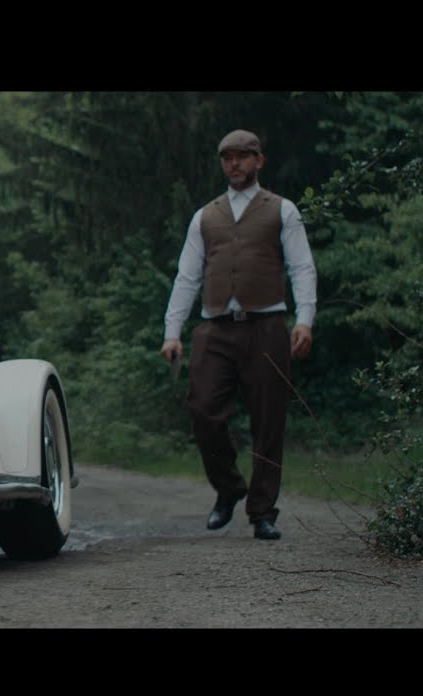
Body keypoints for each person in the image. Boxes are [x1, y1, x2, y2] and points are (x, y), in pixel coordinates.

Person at [159, 129, 317, 541]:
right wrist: (172, 332)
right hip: (215, 328)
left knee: (269, 420)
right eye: (227, 157)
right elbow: (187, 276)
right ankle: (229, 489)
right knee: (202, 410)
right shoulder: (205, 216)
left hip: (267, 326)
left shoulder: (282, 210)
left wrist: (305, 320)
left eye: (243, 156)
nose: (235, 163)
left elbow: (302, 267)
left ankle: (262, 511)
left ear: (258, 161)